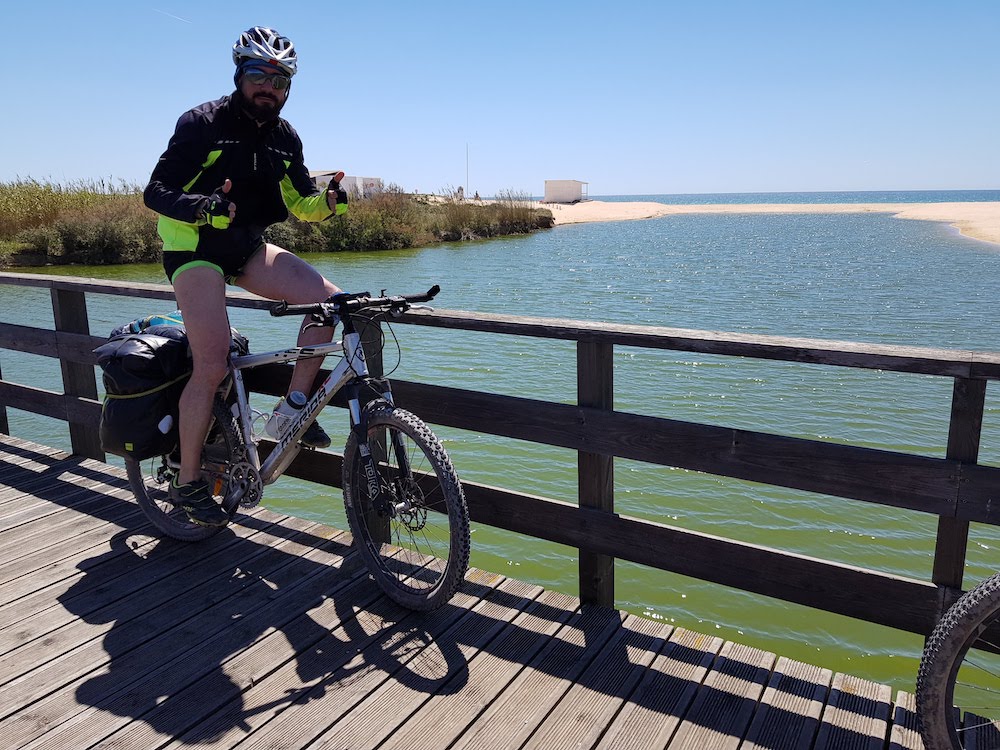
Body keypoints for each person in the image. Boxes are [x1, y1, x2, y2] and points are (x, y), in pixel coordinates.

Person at [143, 26, 348, 527]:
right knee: (211, 365)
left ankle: (293, 408)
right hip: (194, 248)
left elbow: (301, 203)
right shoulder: (202, 122)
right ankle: (188, 479)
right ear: (239, 75)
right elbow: (156, 190)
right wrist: (203, 206)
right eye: (259, 75)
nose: (269, 88)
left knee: (331, 302)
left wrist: (328, 204)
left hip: (246, 247)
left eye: (280, 80)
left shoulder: (284, 137)